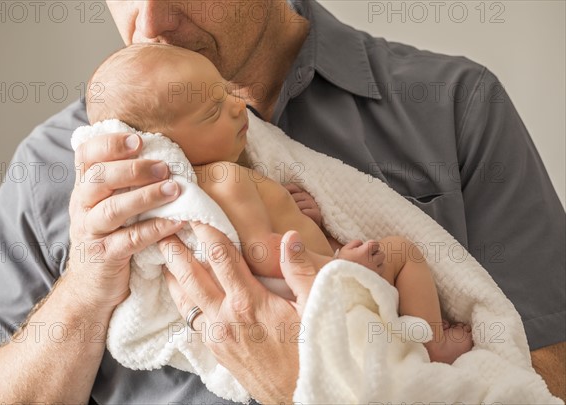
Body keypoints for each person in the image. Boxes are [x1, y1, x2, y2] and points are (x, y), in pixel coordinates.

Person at [0, 0, 563, 403]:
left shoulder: (453, 106)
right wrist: (86, 290)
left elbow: (547, 376)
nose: (149, 22)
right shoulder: (56, 163)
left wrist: (310, 383)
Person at [86, 42, 474, 364]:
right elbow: (261, 252)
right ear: (167, 146)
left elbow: (268, 228)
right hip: (312, 285)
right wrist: (336, 266)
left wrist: (308, 216)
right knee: (403, 252)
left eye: (226, 91)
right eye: (212, 111)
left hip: (314, 275)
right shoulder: (224, 178)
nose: (238, 107)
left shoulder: (229, 173)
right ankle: (430, 343)